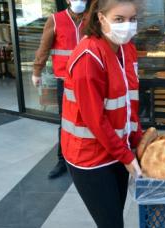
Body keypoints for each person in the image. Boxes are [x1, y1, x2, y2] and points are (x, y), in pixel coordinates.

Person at [61, 0, 142, 226]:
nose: (127, 26)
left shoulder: (126, 49)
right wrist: (126, 155)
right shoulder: (89, 57)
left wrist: (138, 139)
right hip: (89, 157)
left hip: (116, 148)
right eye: (119, 19)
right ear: (101, 18)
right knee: (111, 223)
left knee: (115, 217)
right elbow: (95, 120)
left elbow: (130, 100)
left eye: (132, 19)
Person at [31, 0, 89, 179]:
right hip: (65, 81)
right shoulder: (55, 20)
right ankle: (62, 160)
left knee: (91, 119)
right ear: (67, 0)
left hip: (89, 80)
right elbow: (44, 47)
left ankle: (88, 158)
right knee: (66, 122)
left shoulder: (93, 18)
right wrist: (37, 71)